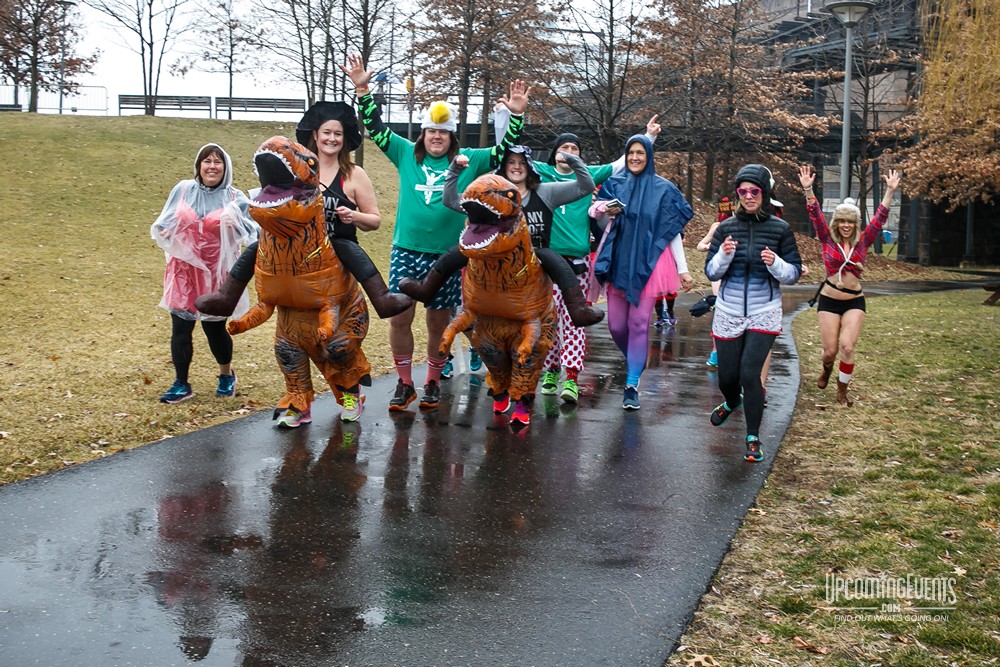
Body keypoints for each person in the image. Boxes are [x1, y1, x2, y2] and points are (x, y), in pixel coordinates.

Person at [342, 54, 531, 412]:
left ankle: (431, 382)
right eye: (431, 131)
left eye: (443, 133)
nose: (436, 138)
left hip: (445, 256)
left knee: (437, 323)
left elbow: (503, 152)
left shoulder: (469, 160)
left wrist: (516, 116)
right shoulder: (404, 154)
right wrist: (363, 89)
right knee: (400, 317)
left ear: (451, 136)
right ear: (423, 133)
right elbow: (375, 126)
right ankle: (403, 384)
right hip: (405, 250)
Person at [195, 101, 412, 325]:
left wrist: (353, 216)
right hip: (295, 247)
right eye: (327, 132)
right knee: (256, 245)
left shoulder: (354, 174)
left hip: (334, 245)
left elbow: (374, 220)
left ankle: (381, 298)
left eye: (338, 133)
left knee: (347, 247)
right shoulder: (295, 171)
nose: (332, 138)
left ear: (344, 138)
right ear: (315, 135)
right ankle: (226, 297)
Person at [534, 116, 662, 404]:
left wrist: (648, 137)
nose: (568, 151)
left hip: (577, 261)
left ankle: (572, 377)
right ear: (554, 152)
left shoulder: (588, 176)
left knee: (574, 320)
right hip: (545, 262)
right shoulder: (539, 173)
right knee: (550, 320)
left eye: (574, 148)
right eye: (563, 147)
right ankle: (551, 369)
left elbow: (621, 163)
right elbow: (510, 158)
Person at [589, 135, 694, 410]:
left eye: (640, 152)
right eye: (631, 153)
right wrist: (602, 210)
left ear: (648, 156)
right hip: (618, 259)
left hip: (650, 263)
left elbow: (672, 232)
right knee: (616, 326)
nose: (635, 157)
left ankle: (632, 383)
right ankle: (635, 358)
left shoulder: (664, 189)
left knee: (638, 324)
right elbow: (598, 220)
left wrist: (682, 269)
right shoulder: (614, 184)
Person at [704, 164, 802, 461]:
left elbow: (794, 273)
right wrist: (723, 255)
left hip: (764, 310)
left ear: (765, 194)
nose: (748, 196)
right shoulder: (726, 228)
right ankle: (731, 401)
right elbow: (710, 270)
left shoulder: (780, 229)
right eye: (743, 191)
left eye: (754, 191)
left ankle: (753, 438)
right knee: (727, 378)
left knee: (750, 373)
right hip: (729, 309)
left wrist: (775, 263)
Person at [151, 143, 257, 403]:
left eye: (217, 162)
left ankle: (226, 375)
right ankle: (181, 383)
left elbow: (254, 232)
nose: (212, 166)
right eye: (207, 161)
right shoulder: (183, 189)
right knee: (181, 327)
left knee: (214, 329)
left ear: (226, 167)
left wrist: (237, 224)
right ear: (199, 166)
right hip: (184, 270)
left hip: (216, 271)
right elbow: (165, 221)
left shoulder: (235, 197)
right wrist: (164, 231)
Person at [799, 164, 901, 406]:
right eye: (842, 221)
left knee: (847, 346)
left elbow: (880, 218)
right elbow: (815, 215)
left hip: (854, 300)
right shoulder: (827, 238)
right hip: (828, 301)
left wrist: (889, 191)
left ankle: (842, 390)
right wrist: (808, 190)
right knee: (830, 351)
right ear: (837, 223)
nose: (846, 225)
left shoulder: (864, 241)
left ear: (856, 224)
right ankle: (826, 369)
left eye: (851, 222)